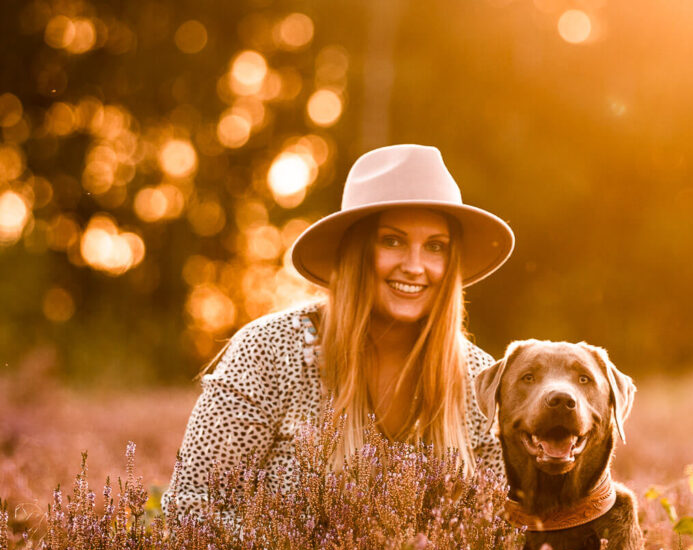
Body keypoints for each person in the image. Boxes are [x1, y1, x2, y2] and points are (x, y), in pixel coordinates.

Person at [161, 144, 515, 524]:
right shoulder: (269, 350)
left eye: (435, 247)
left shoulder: (478, 379)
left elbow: (496, 527)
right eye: (391, 241)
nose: (414, 266)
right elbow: (190, 506)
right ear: (354, 251)